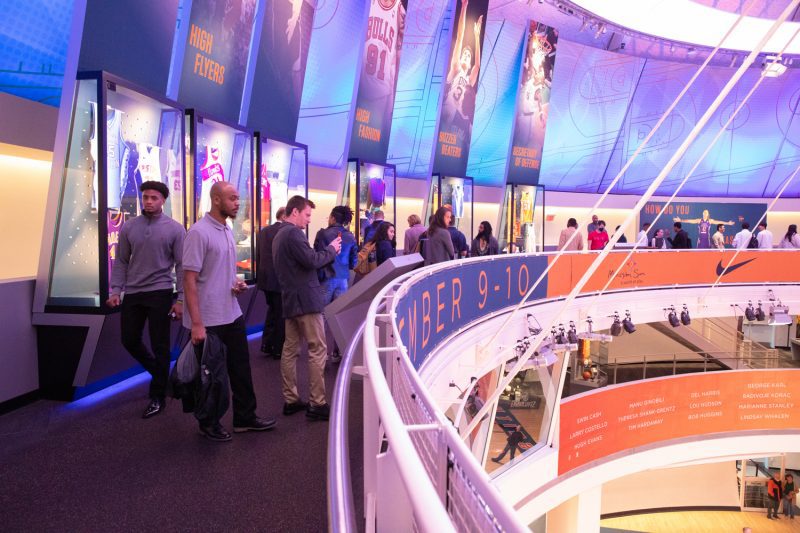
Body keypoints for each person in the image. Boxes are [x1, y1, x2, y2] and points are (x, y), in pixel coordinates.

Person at [183, 181, 276, 442]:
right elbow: (188, 280)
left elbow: (218, 272)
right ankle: (208, 422)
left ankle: (245, 417)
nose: (238, 203)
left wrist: (235, 284)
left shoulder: (226, 228)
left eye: (237, 198)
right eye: (232, 198)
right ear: (216, 200)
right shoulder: (198, 232)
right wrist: (197, 324)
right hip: (208, 319)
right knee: (211, 376)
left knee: (241, 370)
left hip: (231, 313)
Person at [107, 181, 185, 419]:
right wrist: (115, 290)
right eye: (146, 197)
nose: (149, 201)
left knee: (160, 345)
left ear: (163, 201)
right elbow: (121, 261)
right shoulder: (130, 227)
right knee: (129, 340)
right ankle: (162, 376)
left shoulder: (175, 229)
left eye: (154, 198)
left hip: (160, 292)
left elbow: (182, 266)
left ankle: (158, 396)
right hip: (133, 292)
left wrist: (181, 299)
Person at [273, 195, 341, 421]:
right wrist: (331, 250)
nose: (309, 220)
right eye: (307, 215)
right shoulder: (293, 233)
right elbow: (312, 260)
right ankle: (317, 403)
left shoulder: (279, 234)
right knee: (318, 349)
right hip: (306, 301)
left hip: (291, 300)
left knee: (290, 350)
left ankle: (291, 399)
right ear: (295, 212)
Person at [313, 205, 357, 363]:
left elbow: (317, 257)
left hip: (326, 278)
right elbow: (353, 261)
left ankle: (322, 354)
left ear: (332, 218)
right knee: (339, 316)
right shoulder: (350, 236)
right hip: (343, 279)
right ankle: (337, 353)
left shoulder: (322, 234)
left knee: (321, 317)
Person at [256, 206, 287, 359]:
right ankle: (277, 348)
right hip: (279, 280)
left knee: (272, 311)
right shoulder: (286, 232)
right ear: (284, 216)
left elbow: (259, 255)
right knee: (280, 314)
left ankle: (267, 344)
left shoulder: (264, 231)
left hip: (265, 279)